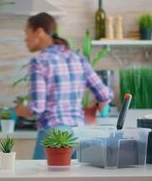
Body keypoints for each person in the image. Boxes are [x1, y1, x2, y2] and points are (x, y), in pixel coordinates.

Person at [15, 12, 111, 159]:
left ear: (39, 32)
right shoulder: (78, 58)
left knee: (40, 176)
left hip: (54, 134)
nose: (25, 39)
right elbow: (104, 95)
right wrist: (97, 110)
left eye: (27, 33)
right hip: (79, 133)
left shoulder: (40, 62)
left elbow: (37, 108)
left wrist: (19, 110)